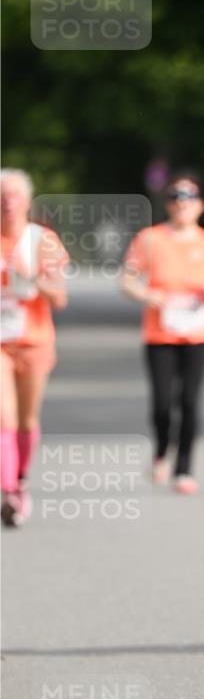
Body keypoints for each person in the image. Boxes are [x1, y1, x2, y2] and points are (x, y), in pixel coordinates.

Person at [121, 173, 204, 494]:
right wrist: (144, 295)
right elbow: (127, 279)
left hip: (199, 333)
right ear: (168, 204)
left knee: (190, 401)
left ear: (201, 205)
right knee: (162, 403)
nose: (183, 204)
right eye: (176, 198)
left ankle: (184, 470)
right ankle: (160, 451)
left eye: (190, 198)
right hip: (160, 333)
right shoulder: (149, 239)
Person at [1, 169, 68, 526]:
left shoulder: (43, 241)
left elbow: (60, 298)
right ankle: (8, 488)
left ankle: (21, 480)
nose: (7, 202)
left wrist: (33, 276)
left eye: (14, 195)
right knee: (3, 417)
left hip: (34, 342)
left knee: (27, 420)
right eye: (2, 195)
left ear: (27, 201)